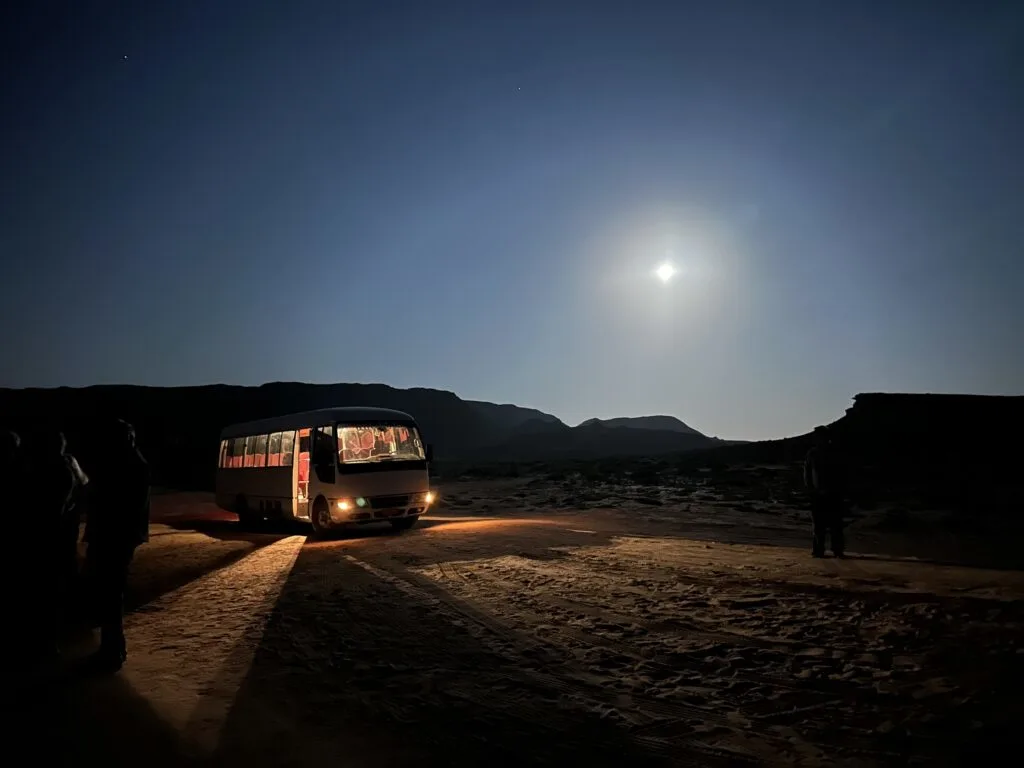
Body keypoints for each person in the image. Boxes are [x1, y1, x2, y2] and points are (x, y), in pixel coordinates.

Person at [82, 419, 150, 673]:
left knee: (110, 593)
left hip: (115, 537)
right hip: (119, 536)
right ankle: (112, 648)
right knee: (110, 593)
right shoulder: (133, 464)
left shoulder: (128, 466)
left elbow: (114, 506)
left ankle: (112, 650)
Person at [803, 426, 847, 558]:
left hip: (833, 493)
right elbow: (807, 474)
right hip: (820, 494)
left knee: (834, 524)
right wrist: (811, 489)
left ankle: (835, 549)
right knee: (820, 524)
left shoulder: (834, 452)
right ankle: (820, 549)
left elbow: (841, 473)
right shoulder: (813, 453)